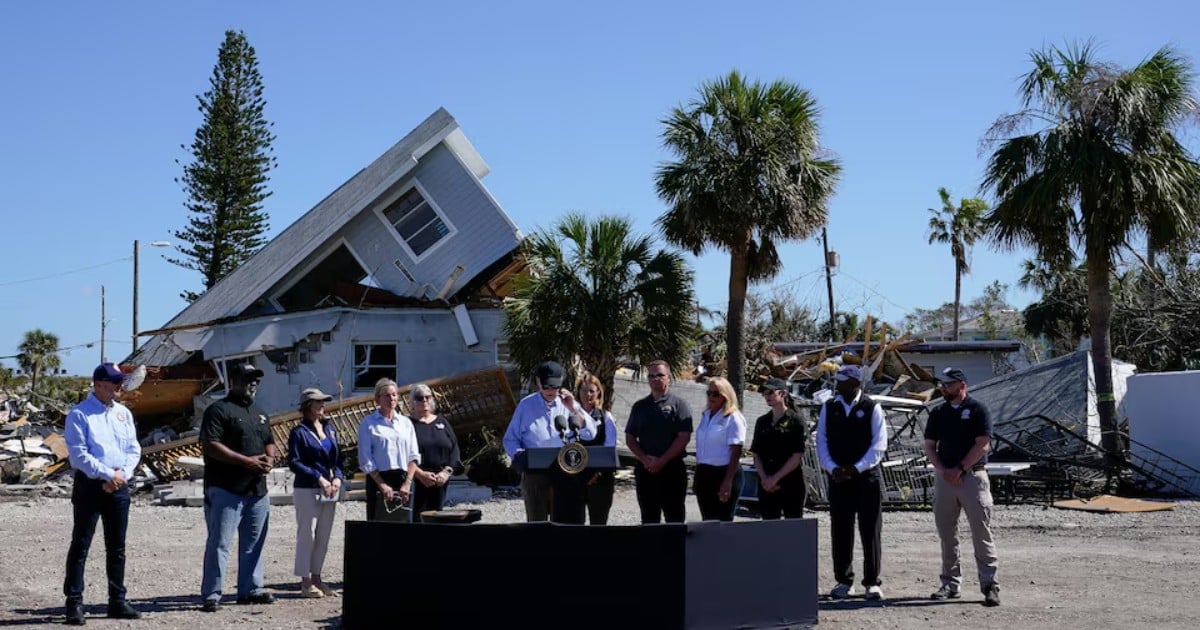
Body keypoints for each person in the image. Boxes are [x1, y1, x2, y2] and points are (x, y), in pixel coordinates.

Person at [61, 363, 143, 625]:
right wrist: (109, 475)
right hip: (91, 487)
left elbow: (133, 449)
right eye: (113, 382)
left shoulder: (123, 413)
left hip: (119, 486)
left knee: (117, 547)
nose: (119, 387)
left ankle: (117, 601)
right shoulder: (80, 415)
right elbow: (79, 455)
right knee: (81, 545)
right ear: (98, 384)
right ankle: (74, 603)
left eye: (119, 382)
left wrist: (122, 476)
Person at [199, 362, 276, 612]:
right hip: (225, 488)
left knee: (254, 543)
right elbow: (210, 445)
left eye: (256, 379)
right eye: (247, 379)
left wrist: (269, 458)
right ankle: (212, 593)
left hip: (257, 490)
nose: (253, 383)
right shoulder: (218, 410)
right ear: (233, 381)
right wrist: (246, 462)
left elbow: (269, 440)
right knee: (220, 543)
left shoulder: (259, 411)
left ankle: (251, 589)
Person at [924, 367, 1001, 607]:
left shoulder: (979, 410)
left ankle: (990, 584)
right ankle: (950, 583)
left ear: (961, 385)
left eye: (948, 384)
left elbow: (982, 444)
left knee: (981, 532)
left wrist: (960, 469)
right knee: (947, 534)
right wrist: (942, 470)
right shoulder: (937, 413)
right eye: (942, 385)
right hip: (945, 480)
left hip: (972, 479)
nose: (944, 388)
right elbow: (929, 446)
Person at [816, 364, 888, 601]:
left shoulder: (872, 407)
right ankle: (844, 580)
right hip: (838, 478)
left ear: (856, 384)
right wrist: (832, 467)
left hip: (866, 478)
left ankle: (872, 582)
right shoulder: (830, 407)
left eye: (843, 381)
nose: (837, 385)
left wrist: (855, 469)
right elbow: (821, 440)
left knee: (870, 530)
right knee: (841, 530)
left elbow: (879, 446)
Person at [501, 361, 597, 523]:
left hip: (564, 471)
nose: (551, 391)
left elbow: (590, 433)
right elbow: (510, 439)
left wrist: (573, 407)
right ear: (538, 382)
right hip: (535, 472)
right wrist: (519, 456)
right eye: (546, 387)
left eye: (555, 387)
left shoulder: (568, 403)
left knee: (563, 520)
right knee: (537, 521)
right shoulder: (526, 405)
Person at [286, 388, 343, 599]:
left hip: (330, 489)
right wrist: (318, 478)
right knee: (307, 535)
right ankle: (305, 580)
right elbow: (294, 461)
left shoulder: (330, 428)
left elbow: (338, 459)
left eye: (323, 402)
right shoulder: (298, 432)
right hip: (307, 488)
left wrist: (337, 477)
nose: (322, 405)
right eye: (318, 402)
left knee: (324, 535)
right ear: (308, 406)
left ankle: (317, 576)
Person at [625, 360, 694, 524]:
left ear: (668, 377)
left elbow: (684, 436)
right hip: (646, 469)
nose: (655, 379)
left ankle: (675, 550)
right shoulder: (640, 406)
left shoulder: (679, 405)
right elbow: (630, 437)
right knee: (649, 518)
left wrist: (662, 460)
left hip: (672, 470)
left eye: (660, 375)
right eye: (651, 375)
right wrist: (644, 459)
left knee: (674, 518)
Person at [357, 378, 421, 521]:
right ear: (378, 399)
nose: (391, 398)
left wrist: (407, 483)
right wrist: (382, 485)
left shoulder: (406, 423)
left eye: (394, 394)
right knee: (379, 526)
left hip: (404, 479)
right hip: (379, 478)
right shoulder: (368, 423)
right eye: (387, 395)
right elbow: (365, 459)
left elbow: (413, 456)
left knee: (404, 525)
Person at [751, 377, 808, 520]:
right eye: (765, 393)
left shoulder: (796, 420)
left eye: (770, 392)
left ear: (782, 394)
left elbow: (796, 456)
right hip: (766, 483)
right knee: (770, 531)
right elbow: (756, 454)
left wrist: (775, 479)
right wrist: (765, 479)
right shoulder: (762, 421)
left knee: (793, 529)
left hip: (790, 483)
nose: (767, 396)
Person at [693, 377, 747, 521]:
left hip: (725, 472)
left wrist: (727, 481)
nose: (711, 397)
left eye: (716, 394)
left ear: (725, 395)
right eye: (708, 393)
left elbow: (736, 452)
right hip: (705, 472)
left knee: (723, 522)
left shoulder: (733, 417)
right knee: (708, 521)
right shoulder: (706, 415)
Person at [409, 384, 464, 520]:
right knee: (417, 521)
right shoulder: (407, 424)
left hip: (440, 481)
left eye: (428, 397)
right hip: (416, 481)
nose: (424, 401)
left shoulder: (442, 422)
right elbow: (401, 453)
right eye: (419, 398)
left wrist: (447, 472)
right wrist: (420, 474)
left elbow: (454, 449)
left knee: (438, 520)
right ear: (412, 402)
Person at [577, 373, 618, 525]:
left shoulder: (606, 417)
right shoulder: (570, 416)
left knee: (598, 524)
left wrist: (596, 473)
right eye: (583, 390)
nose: (587, 395)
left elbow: (610, 447)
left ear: (598, 393)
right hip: (575, 478)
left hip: (600, 479)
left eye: (591, 391)